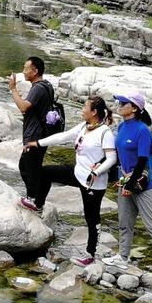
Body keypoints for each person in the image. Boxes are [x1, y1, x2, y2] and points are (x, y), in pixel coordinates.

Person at [23, 96, 118, 267]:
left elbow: (112, 158)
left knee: (91, 218)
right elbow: (63, 136)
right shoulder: (84, 126)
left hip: (93, 182)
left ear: (94, 112)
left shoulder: (105, 133)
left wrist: (96, 172)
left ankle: (90, 255)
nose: (82, 110)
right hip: (78, 173)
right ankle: (38, 205)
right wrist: (38, 143)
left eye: (85, 107)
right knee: (46, 173)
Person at [103, 91, 152, 281]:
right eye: (119, 102)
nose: (119, 105)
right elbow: (119, 155)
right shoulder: (122, 126)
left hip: (143, 185)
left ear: (134, 108)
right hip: (125, 181)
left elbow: (142, 160)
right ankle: (122, 257)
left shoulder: (142, 130)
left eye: (123, 103)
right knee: (124, 222)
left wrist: (130, 184)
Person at [9, 56, 54, 207]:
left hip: (35, 135)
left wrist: (13, 89)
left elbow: (23, 107)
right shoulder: (47, 85)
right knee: (30, 166)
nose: (23, 72)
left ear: (35, 71)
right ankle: (36, 199)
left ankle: (33, 199)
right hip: (42, 133)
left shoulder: (38, 88)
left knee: (28, 167)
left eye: (25, 68)